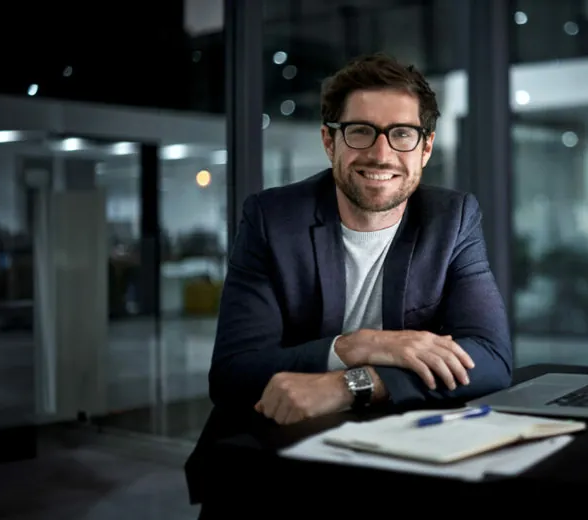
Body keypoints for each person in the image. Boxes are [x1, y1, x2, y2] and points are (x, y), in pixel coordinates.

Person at [209, 53, 513, 426]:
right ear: (329, 141)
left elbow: (491, 359)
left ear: (426, 148)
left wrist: (354, 384)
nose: (381, 154)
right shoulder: (271, 219)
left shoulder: (452, 219)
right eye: (360, 131)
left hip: (405, 436)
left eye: (402, 133)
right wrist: (358, 346)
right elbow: (233, 373)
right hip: (288, 438)